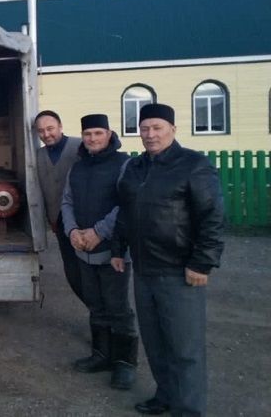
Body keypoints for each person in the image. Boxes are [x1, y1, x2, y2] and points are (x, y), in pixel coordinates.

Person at [111, 103, 224, 416]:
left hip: (179, 271)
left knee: (185, 349)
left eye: (157, 127)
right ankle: (167, 396)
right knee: (156, 343)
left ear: (173, 129)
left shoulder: (193, 165)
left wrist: (203, 262)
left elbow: (212, 217)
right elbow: (126, 211)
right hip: (144, 269)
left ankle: (189, 409)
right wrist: (118, 249)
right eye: (145, 128)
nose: (150, 134)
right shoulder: (134, 168)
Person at [61, 114, 138, 390]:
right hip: (83, 249)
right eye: (87, 134)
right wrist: (72, 231)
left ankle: (125, 364)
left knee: (118, 308)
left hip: (113, 251)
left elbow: (127, 205)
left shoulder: (124, 164)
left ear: (109, 134)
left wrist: (98, 232)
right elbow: (67, 201)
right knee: (95, 304)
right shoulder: (78, 167)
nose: (92, 139)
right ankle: (101, 355)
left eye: (98, 133)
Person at [34, 110, 84, 304]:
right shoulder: (39, 155)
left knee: (93, 273)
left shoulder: (80, 146)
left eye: (50, 128)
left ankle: (105, 320)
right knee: (73, 274)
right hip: (59, 224)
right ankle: (96, 312)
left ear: (60, 127)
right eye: (41, 131)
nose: (46, 134)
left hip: (83, 222)